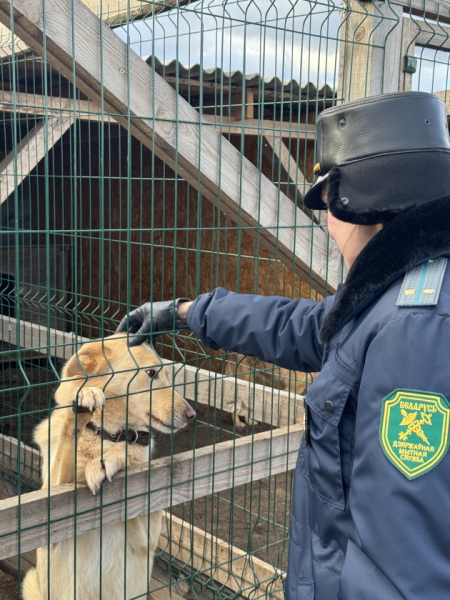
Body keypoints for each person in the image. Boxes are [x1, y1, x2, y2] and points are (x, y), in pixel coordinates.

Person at [116, 91, 450, 600]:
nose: (327, 222)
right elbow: (309, 326)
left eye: (328, 203)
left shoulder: (417, 326)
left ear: (361, 204)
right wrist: (187, 312)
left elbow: (403, 558)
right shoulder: (402, 291)